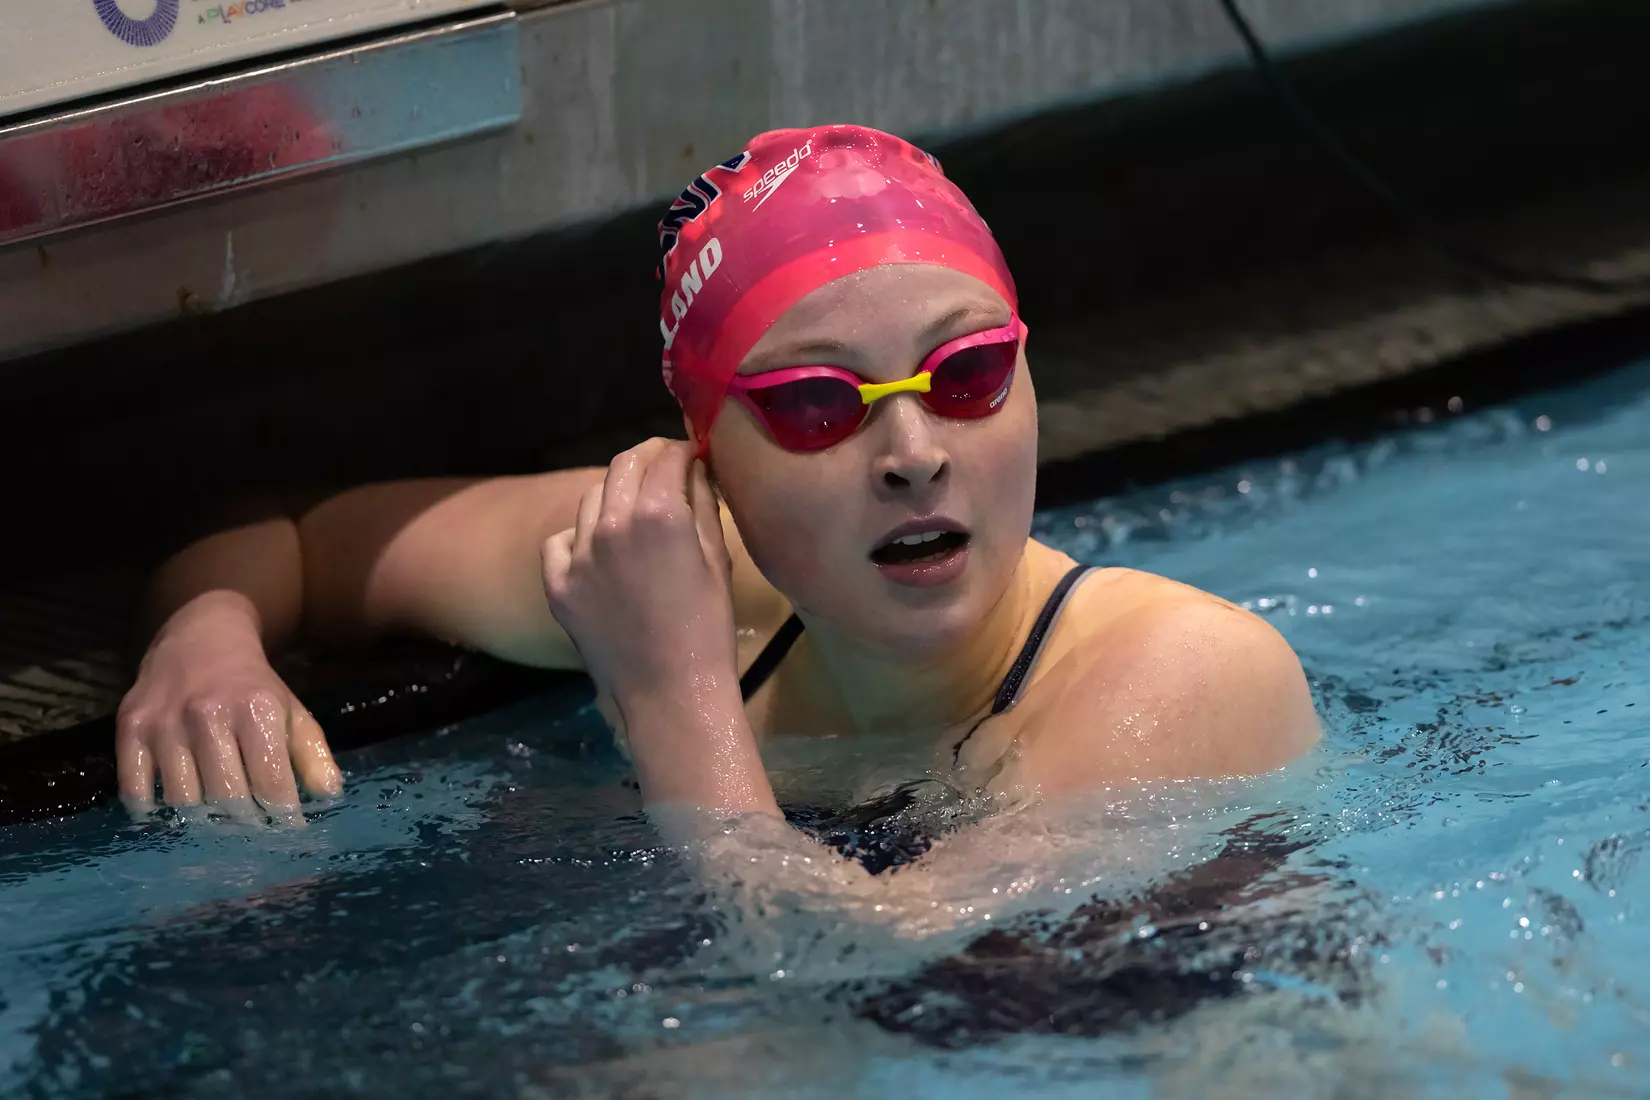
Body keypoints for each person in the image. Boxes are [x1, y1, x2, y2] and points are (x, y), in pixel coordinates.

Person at [115, 124, 1319, 833]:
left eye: (966, 373)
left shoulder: (1188, 673)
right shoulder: (677, 573)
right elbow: (290, 539)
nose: (914, 453)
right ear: (707, 456)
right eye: (814, 404)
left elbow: (835, 974)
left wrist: (670, 691)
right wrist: (205, 639)